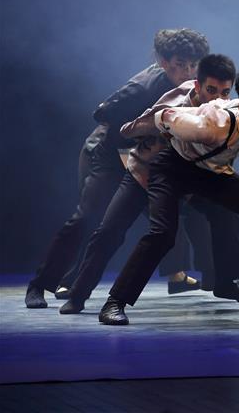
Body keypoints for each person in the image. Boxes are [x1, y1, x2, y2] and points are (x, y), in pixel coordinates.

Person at [25, 29, 209, 309]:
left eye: (193, 65)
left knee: (172, 211)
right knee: (88, 217)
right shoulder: (144, 87)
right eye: (180, 65)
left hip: (148, 155)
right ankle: (40, 285)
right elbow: (103, 113)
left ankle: (177, 275)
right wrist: (136, 146)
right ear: (162, 61)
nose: (187, 72)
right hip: (110, 152)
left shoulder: (195, 85)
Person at [58, 55, 239, 314]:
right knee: (111, 231)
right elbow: (131, 128)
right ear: (197, 86)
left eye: (223, 92)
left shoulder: (225, 111)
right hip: (146, 174)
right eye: (210, 90)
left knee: (226, 212)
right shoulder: (177, 100)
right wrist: (160, 129)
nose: (216, 97)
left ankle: (224, 281)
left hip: (188, 179)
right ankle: (79, 294)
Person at [98, 67, 239, 325]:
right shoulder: (212, 126)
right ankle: (114, 302)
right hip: (171, 169)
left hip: (209, 172)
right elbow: (167, 116)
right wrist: (131, 129)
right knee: (163, 233)